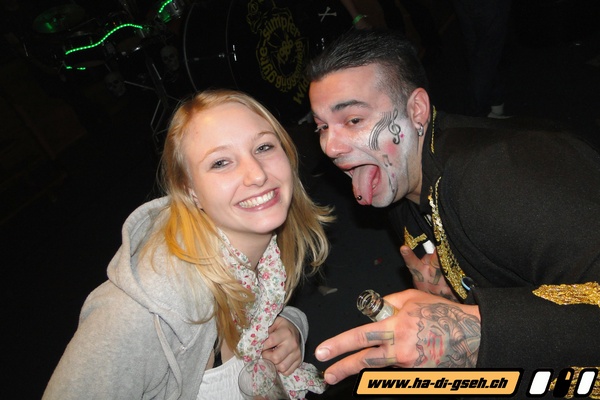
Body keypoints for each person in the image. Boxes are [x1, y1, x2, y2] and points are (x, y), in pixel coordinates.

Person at [306, 29, 600, 397]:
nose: (330, 147)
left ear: (416, 110)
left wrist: (475, 328)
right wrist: (457, 296)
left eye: (353, 120)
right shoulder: (399, 186)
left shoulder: (495, 176)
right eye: (321, 127)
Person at [42, 89, 334, 400]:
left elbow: (255, 316)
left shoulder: (263, 257)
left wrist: (290, 326)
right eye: (221, 162)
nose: (257, 174)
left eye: (263, 147)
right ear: (189, 190)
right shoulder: (143, 311)